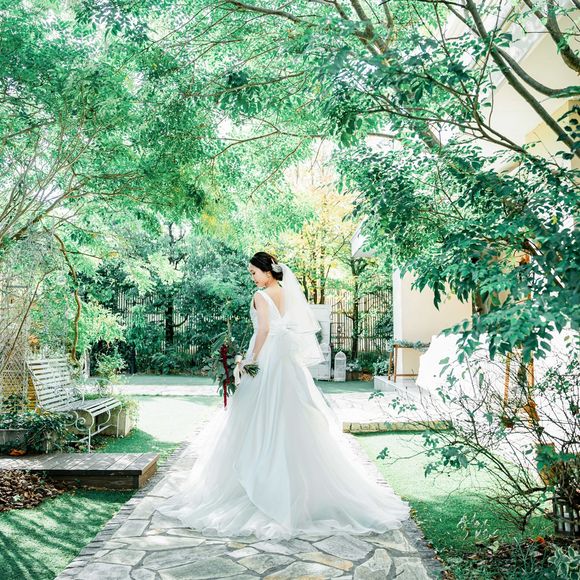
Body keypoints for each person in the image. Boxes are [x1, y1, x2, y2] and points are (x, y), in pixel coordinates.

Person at [155, 252, 409, 540]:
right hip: (286, 361)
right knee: (291, 414)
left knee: (257, 415)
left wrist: (249, 360)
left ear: (266, 271)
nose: (252, 277)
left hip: (267, 358)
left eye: (253, 272)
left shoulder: (260, 296)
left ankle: (259, 483)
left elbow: (264, 330)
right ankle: (301, 491)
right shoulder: (288, 293)